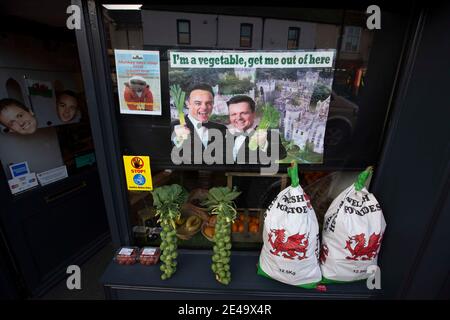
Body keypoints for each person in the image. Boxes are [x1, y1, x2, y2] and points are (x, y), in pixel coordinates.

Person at [170, 84, 226, 162]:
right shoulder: (172, 128)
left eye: (209, 103)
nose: (204, 107)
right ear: (188, 104)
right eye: (198, 103)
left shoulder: (222, 129)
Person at [226, 95, 286, 163]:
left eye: (244, 113)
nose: (238, 118)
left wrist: (263, 144)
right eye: (233, 114)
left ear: (253, 114)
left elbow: (282, 154)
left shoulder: (270, 135)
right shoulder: (223, 134)